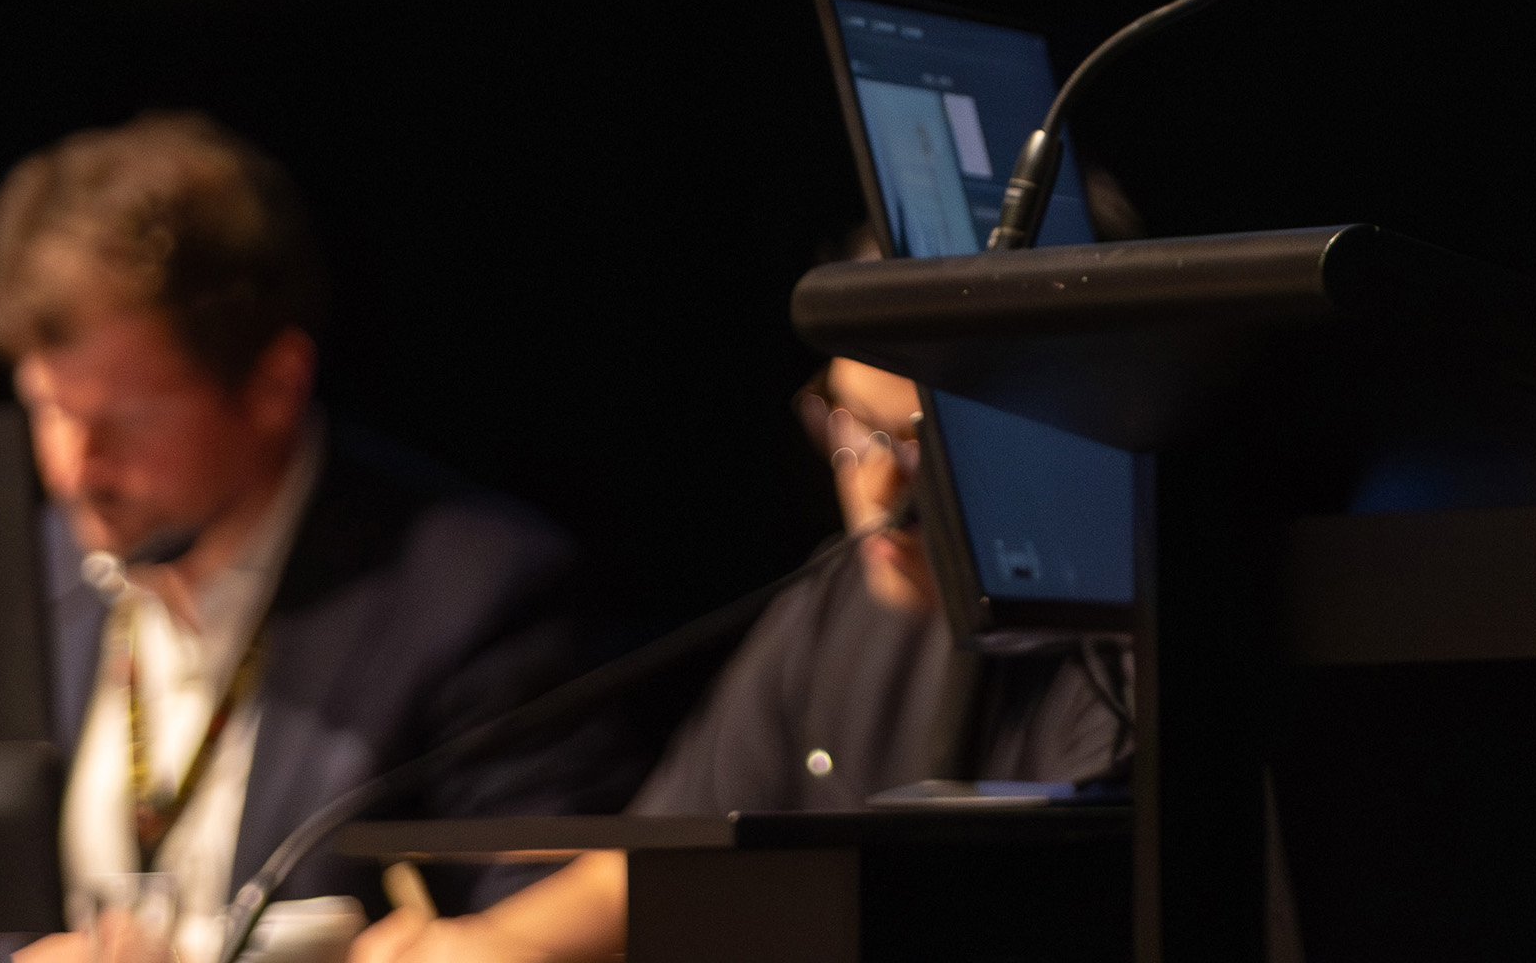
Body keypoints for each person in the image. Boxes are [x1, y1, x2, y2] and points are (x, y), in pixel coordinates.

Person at [0, 116, 620, 963]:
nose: (73, 466)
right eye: (48, 411)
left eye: (126, 422)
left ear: (274, 386)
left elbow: (543, 936)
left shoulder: (470, 598)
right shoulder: (8, 584)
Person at [344, 349, 1128, 963]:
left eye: (923, 446)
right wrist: (486, 945)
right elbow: (659, 860)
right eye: (855, 428)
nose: (880, 488)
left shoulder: (1119, 646)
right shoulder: (832, 603)